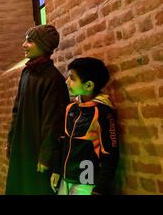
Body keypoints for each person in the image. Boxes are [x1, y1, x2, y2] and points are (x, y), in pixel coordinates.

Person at [5, 24, 69, 195]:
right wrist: (11, 140)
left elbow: (53, 123)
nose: (24, 45)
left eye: (30, 41)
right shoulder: (27, 73)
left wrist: (45, 156)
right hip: (22, 145)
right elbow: (16, 110)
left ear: (44, 45)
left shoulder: (53, 79)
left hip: (37, 152)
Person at [50, 57, 119, 195]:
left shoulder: (103, 112)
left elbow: (110, 155)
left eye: (72, 78)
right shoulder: (71, 108)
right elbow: (62, 142)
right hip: (65, 181)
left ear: (88, 85)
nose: (67, 82)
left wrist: (99, 189)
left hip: (86, 184)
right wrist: (57, 170)